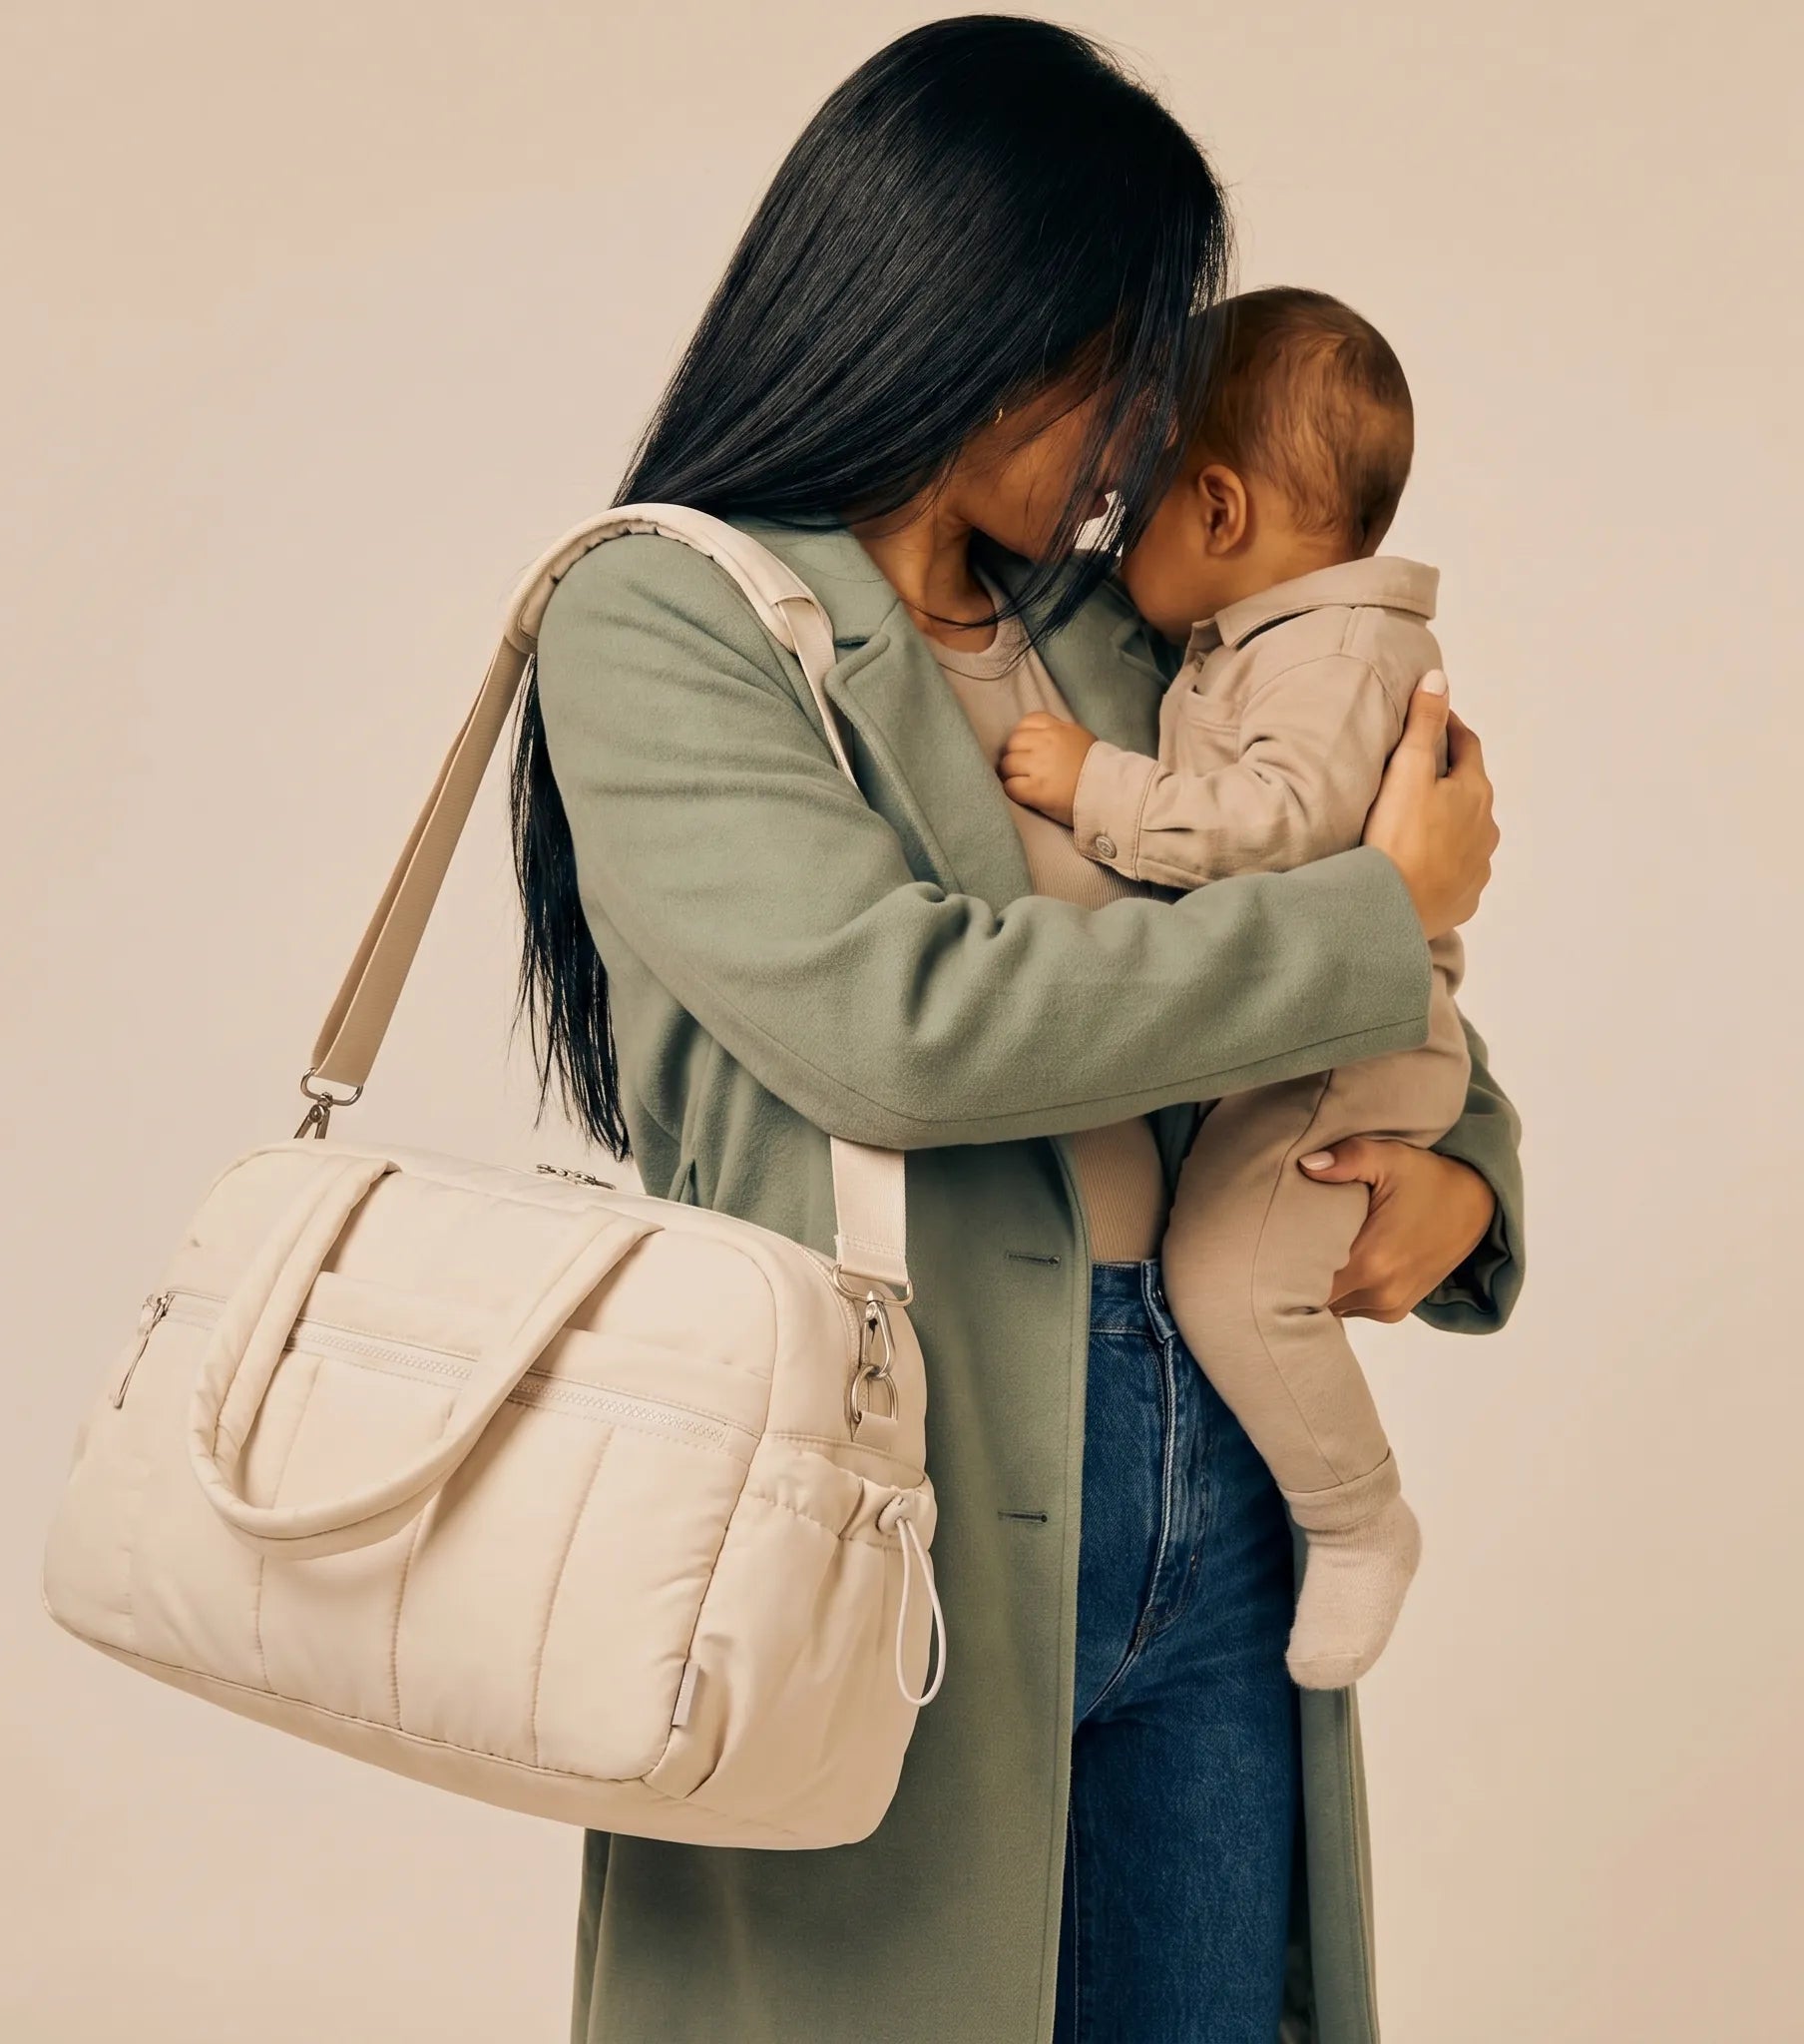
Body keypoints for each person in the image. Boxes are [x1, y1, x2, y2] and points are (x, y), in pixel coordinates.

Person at [513, 19, 1523, 2042]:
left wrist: (1459, 1171)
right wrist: (1373, 912)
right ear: (962, 310)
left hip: (1214, 1465)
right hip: (884, 1478)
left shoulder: (1103, 622)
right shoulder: (661, 617)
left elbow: (1306, 925)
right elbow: (906, 1024)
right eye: (1116, 354)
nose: (1149, 424)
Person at [995, 285, 1471, 1690]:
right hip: (1315, 1027)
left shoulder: (1328, 657)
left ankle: (1358, 1518)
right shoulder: (1269, 638)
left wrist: (1102, 788)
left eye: (1130, 497)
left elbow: (1280, 829)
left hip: (1338, 1049)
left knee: (1233, 1279)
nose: (1102, 519)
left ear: (1215, 512)